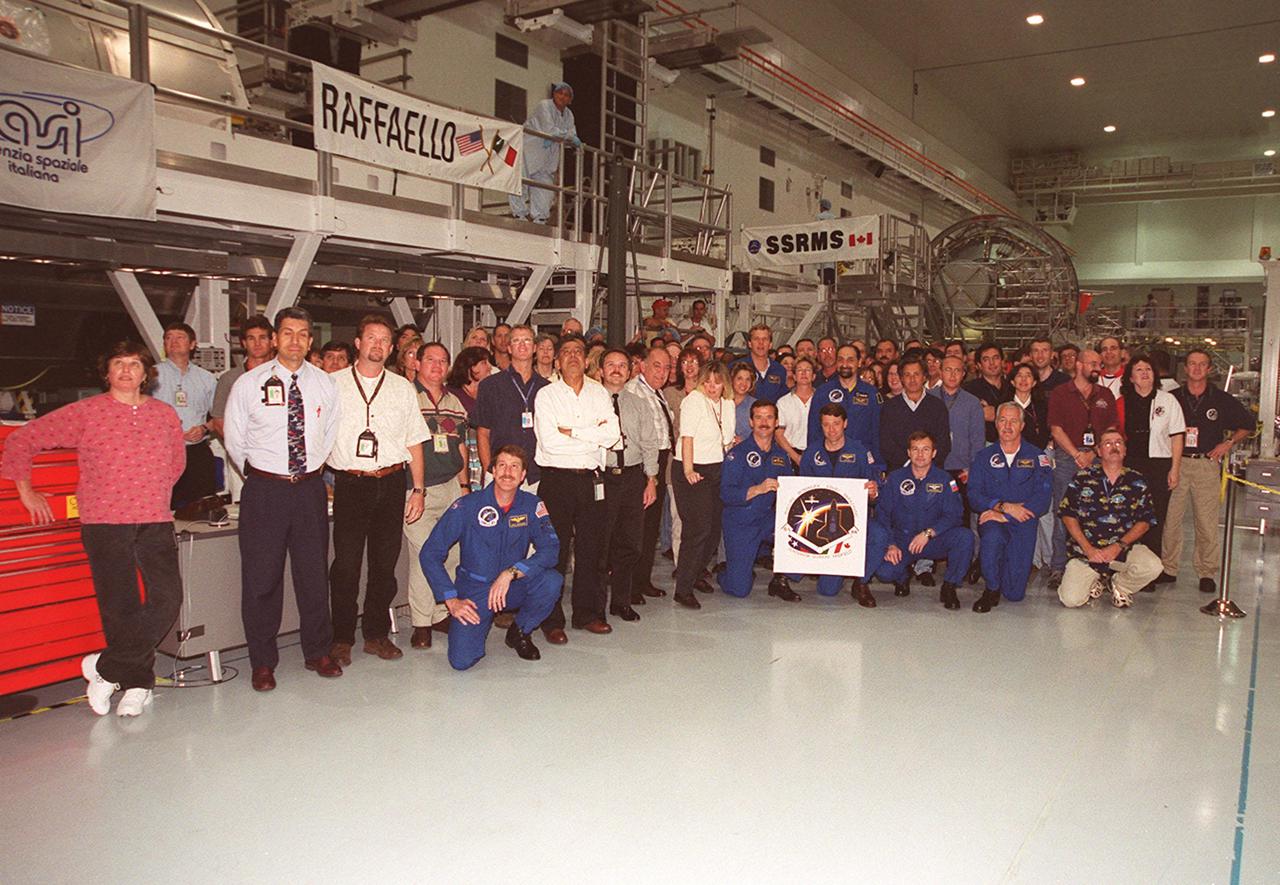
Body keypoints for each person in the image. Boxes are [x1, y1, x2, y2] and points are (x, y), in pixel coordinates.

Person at [2, 341, 184, 717]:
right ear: (107, 372)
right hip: (105, 522)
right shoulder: (86, 412)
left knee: (167, 600)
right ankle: (136, 684)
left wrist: (149, 490)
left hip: (154, 520)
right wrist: (25, 489)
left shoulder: (164, 415)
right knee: (121, 609)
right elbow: (23, 439)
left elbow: (175, 462)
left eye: (134, 364)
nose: (126, 370)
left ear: (146, 373)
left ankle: (104, 668)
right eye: (118, 363)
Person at [224, 307, 343, 691]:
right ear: (275, 338)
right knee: (261, 579)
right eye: (287, 333)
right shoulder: (249, 383)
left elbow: (329, 434)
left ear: (311, 341)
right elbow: (235, 439)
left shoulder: (324, 384)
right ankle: (262, 662)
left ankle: (317, 651)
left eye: (303, 334)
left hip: (308, 488)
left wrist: (307, 471)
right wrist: (262, 475)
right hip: (264, 490)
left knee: (312, 575)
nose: (295, 340)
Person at [325, 316, 429, 665]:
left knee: (384, 567)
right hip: (351, 483)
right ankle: (341, 638)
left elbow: (414, 441)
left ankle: (375, 634)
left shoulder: (402, 387)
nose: (378, 345)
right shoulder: (332, 384)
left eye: (385, 340)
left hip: (392, 481)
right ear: (357, 343)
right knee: (346, 566)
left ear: (392, 347)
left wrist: (418, 489)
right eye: (371, 338)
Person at [419, 446, 561, 670]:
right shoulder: (467, 506)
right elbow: (430, 553)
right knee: (461, 661)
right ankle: (479, 624)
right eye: (502, 465)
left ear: (523, 475)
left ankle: (520, 631)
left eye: (515, 467)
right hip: (476, 589)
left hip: (512, 585)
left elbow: (551, 549)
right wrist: (451, 599)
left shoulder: (532, 506)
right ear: (492, 471)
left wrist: (511, 573)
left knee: (551, 581)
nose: (508, 472)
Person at [533, 334, 620, 641]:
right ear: (557, 361)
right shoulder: (546, 395)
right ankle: (550, 619)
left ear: (586, 360)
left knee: (592, 552)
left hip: (592, 479)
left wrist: (571, 431)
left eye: (578, 352)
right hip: (556, 480)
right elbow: (550, 442)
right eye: (566, 352)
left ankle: (588, 613)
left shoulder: (599, 394)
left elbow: (612, 436)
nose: (572, 356)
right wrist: (590, 433)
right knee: (554, 552)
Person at [1162, 349, 1253, 594]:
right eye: (1192, 364)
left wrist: (1228, 443)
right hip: (1177, 463)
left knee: (1206, 521)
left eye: (1202, 364)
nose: (1197, 368)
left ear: (1209, 369)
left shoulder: (1221, 400)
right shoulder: (1171, 398)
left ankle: (1206, 571)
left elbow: (1248, 424)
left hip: (1206, 464)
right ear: (1185, 368)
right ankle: (1168, 567)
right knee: (1171, 518)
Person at [398, 341, 470, 650]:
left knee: (452, 554)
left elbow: (461, 447)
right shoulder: (406, 398)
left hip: (451, 487)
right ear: (417, 363)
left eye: (443, 361)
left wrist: (465, 487)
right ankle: (421, 623)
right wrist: (416, 489)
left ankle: (442, 613)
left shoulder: (455, 402)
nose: (437, 366)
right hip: (418, 491)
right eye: (431, 360)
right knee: (425, 554)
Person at [1057, 429, 1162, 608]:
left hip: (1122, 551)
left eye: (1118, 443)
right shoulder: (1082, 478)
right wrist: (1088, 549)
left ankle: (1120, 585)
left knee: (1154, 566)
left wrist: (1118, 546)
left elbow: (1145, 521)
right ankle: (1094, 581)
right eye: (1107, 443)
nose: (1114, 447)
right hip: (1087, 554)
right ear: (1098, 451)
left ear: (1125, 450)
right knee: (1070, 600)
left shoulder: (1137, 480)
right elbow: (1068, 515)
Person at [966, 403, 1053, 612]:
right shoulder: (983, 457)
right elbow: (974, 495)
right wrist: (1001, 506)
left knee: (1014, 595)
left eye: (1013, 421)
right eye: (1003, 420)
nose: (1007, 425)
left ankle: (997, 567)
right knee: (992, 538)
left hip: (1022, 523)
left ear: (1022, 425)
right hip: (993, 520)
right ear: (995, 424)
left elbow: (1042, 498)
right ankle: (991, 588)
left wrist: (1006, 515)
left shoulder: (1037, 457)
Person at [798, 403, 888, 606]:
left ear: (845, 424)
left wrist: (873, 492)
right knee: (828, 591)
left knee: (879, 535)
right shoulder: (812, 453)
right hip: (822, 524)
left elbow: (874, 488)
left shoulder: (860, 451)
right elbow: (801, 492)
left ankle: (861, 582)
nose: (831, 430)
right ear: (820, 426)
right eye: (826, 424)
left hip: (854, 521)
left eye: (836, 424)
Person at [874, 431, 974, 606]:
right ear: (909, 452)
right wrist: (890, 544)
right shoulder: (895, 479)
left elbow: (955, 515)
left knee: (964, 537)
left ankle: (950, 586)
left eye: (925, 449)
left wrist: (929, 533)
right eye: (915, 449)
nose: (920, 455)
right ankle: (903, 575)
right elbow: (882, 514)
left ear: (934, 453)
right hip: (903, 540)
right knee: (884, 572)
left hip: (933, 539)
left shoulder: (944, 480)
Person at [1046, 349, 1118, 590]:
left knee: (1098, 514)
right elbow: (1055, 429)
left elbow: (1112, 431)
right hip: (1067, 458)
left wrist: (1094, 453)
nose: (1097, 367)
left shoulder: (1105, 395)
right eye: (1092, 363)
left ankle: (1097, 567)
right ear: (1078, 365)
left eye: (1099, 363)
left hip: (1098, 458)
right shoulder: (1060, 393)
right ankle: (1058, 567)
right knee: (1062, 513)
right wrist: (1077, 454)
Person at [598, 348, 661, 622]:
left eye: (622, 365)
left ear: (630, 370)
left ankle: (621, 601)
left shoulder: (639, 403)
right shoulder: (591, 401)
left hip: (633, 477)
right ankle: (595, 605)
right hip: (602, 477)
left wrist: (651, 479)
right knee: (600, 544)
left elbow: (650, 444)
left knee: (631, 543)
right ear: (600, 370)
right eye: (610, 364)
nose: (616, 369)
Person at [1117, 354, 1185, 590]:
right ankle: (1128, 568)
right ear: (1131, 376)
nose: (1144, 373)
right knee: (1129, 517)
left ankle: (1151, 571)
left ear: (1155, 374)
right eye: (1138, 369)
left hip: (1159, 464)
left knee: (1155, 518)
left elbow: (1177, 436)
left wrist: (1175, 469)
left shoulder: (1168, 400)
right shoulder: (1122, 401)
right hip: (1130, 465)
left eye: (1148, 369)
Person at [718, 401, 798, 600]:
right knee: (739, 590)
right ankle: (726, 571)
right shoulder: (737, 454)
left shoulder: (781, 456)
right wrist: (757, 489)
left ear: (777, 422)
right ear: (751, 422)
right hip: (740, 522)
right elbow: (726, 494)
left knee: (798, 530)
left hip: (766, 519)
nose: (764, 422)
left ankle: (781, 579)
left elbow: (789, 491)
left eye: (769, 417)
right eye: (759, 417)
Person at [671, 361, 735, 609]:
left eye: (717, 382)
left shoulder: (727, 404)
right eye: (707, 381)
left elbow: (726, 439)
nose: (711, 386)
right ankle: (683, 588)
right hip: (691, 467)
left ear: (724, 383)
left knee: (713, 529)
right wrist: (689, 470)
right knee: (697, 529)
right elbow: (686, 437)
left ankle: (697, 574)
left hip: (716, 468)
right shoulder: (694, 401)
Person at [626, 344, 675, 602]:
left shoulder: (657, 393)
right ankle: (631, 586)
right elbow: (639, 438)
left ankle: (643, 580)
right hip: (643, 466)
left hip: (659, 461)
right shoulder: (634, 392)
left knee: (650, 529)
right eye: (657, 365)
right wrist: (649, 477)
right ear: (642, 366)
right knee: (637, 530)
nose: (662, 372)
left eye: (667, 367)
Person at [473, 324, 548, 490]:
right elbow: (483, 433)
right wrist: (489, 471)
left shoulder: (547, 388)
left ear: (535, 347)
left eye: (527, 340)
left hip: (537, 474)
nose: (522, 345)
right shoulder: (490, 385)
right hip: (501, 473)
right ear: (509, 348)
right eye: (516, 341)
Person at [154, 321, 217, 508]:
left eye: (180, 337)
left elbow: (219, 418)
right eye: (168, 338)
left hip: (197, 454)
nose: (173, 341)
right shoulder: (151, 376)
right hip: (163, 454)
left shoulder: (207, 378)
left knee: (201, 509)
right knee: (164, 508)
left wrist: (204, 429)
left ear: (192, 344)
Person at [510, 82, 580, 223]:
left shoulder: (568, 115)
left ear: (570, 100)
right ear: (554, 94)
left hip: (548, 158)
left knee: (544, 188)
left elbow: (572, 135)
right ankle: (519, 214)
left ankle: (540, 218)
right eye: (560, 93)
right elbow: (550, 130)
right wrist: (567, 136)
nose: (562, 96)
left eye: (566, 95)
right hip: (530, 151)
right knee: (521, 182)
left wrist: (566, 137)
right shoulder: (544, 106)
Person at [811, 343, 882, 461]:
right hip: (829, 459)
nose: (844, 364)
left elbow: (877, 432)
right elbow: (814, 430)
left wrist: (878, 464)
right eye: (840, 360)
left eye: (850, 360)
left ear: (859, 362)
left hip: (862, 459)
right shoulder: (823, 392)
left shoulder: (871, 394)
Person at [880, 356, 950, 470]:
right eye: (907, 375)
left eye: (916, 374)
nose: (912, 379)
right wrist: (909, 466)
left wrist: (925, 465)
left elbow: (944, 443)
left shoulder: (938, 406)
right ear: (901, 378)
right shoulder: (889, 407)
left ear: (924, 377)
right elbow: (886, 443)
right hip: (899, 471)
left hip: (932, 471)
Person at [210, 315, 275, 440]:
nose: (257, 343)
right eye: (251, 338)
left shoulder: (284, 377)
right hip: (243, 454)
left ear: (272, 342)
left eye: (262, 338)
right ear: (244, 343)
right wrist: (242, 448)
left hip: (278, 453)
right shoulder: (229, 379)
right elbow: (219, 421)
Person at [776, 355, 817, 466]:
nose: (803, 373)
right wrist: (796, 457)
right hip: (790, 455)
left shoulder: (821, 400)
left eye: (807, 370)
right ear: (794, 376)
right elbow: (779, 434)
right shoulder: (783, 402)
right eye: (799, 370)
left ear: (813, 376)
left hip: (817, 454)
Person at [964, 342, 1009, 443]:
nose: (992, 363)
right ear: (979, 365)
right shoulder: (968, 390)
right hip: (981, 444)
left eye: (996, 358)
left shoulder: (1013, 387)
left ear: (1002, 362)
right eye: (986, 359)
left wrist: (996, 413)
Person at [735, 323, 788, 403]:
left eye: (765, 339)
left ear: (770, 345)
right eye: (756, 339)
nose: (761, 343)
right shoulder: (735, 367)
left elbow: (784, 399)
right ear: (749, 344)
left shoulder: (779, 370)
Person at [1003, 363, 1050, 449]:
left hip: (1037, 450)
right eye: (1019, 375)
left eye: (1028, 376)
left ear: (1034, 382)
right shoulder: (1003, 406)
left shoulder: (1042, 406)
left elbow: (1045, 433)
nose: (1024, 379)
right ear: (1012, 382)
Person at [729, 362, 757, 443]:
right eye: (739, 378)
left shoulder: (755, 405)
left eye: (748, 379)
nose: (743, 383)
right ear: (732, 380)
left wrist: (745, 441)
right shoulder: (721, 402)